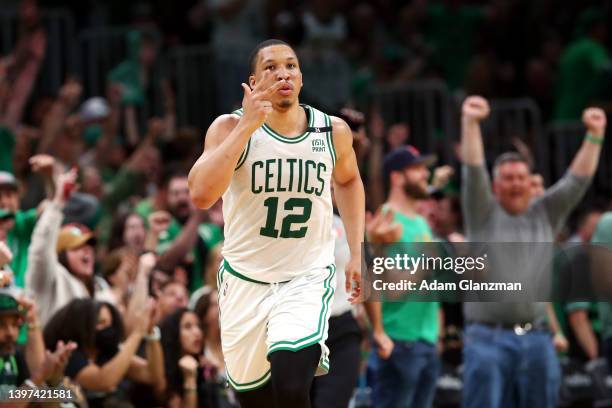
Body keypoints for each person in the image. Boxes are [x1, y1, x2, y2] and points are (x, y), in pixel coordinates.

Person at [188, 38, 365, 407]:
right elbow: (202, 195)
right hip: (245, 281)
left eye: (291, 65)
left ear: (300, 78)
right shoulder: (228, 128)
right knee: (257, 400)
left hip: (304, 278)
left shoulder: (331, 131)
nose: (283, 72)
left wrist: (356, 250)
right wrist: (247, 126)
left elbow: (348, 180)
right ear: (253, 82)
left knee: (290, 384)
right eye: (270, 67)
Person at [460, 95, 606, 407]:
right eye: (507, 179)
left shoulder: (545, 212)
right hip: (487, 339)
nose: (515, 184)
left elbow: (576, 181)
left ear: (530, 183)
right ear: (496, 186)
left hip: (538, 339)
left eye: (521, 178)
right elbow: (473, 172)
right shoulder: (482, 212)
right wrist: (470, 123)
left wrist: (595, 135)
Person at [365, 146, 441, 408]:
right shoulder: (385, 223)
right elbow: (392, 289)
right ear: (397, 178)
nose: (425, 174)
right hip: (398, 342)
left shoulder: (420, 222)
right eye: (417, 169)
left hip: (426, 341)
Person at [25, 167, 115, 326]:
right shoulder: (50, 279)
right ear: (60, 254)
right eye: (77, 247)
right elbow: (40, 251)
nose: (87, 250)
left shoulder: (100, 288)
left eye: (89, 246)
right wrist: (58, 203)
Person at [43, 298, 165, 408]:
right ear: (82, 326)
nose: (108, 329)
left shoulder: (107, 350)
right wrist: (137, 333)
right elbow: (103, 381)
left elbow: (151, 374)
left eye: (110, 324)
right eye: (101, 323)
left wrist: (150, 332)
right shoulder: (68, 353)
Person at [159, 307, 216, 408]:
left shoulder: (204, 366)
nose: (197, 332)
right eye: (187, 327)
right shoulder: (164, 372)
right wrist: (190, 379)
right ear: (174, 333)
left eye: (198, 326)